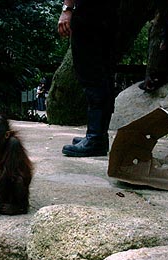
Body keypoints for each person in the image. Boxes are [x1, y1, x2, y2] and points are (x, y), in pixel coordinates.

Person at [58, 0, 120, 157]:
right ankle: (98, 135)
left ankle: (95, 138)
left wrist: (67, 8)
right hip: (109, 12)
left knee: (91, 74)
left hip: (90, 12)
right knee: (103, 73)